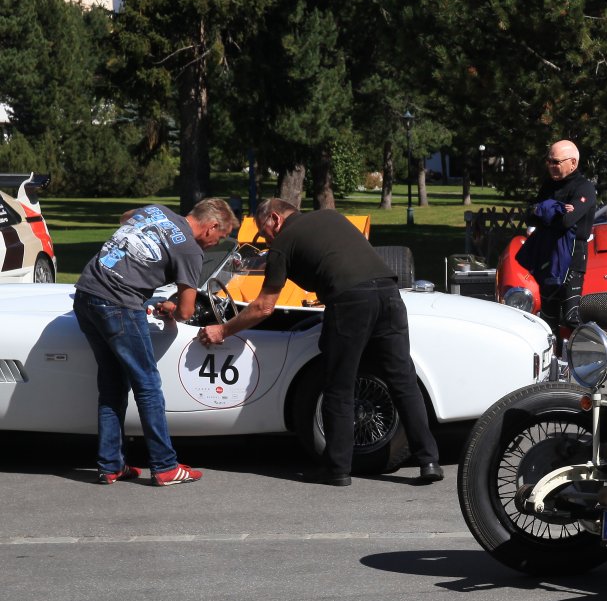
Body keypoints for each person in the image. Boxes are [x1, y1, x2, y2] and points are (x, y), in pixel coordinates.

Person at [197, 200, 441, 487]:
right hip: (389, 293)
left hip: (351, 302)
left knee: (339, 385)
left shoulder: (283, 241)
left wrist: (223, 330)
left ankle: (337, 469)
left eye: (264, 232)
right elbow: (335, 260)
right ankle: (429, 461)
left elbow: (264, 307)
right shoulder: (330, 217)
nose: (267, 240)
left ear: (275, 218)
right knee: (403, 380)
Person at [75, 197, 238, 486]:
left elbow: (126, 217)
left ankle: (110, 465)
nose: (216, 243)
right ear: (211, 226)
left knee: (112, 384)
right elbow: (186, 311)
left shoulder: (156, 211)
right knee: (148, 385)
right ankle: (165, 466)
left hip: (86, 294)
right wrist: (171, 308)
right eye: (221, 236)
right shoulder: (190, 250)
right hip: (119, 304)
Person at [517, 139, 597, 325]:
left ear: (573, 163)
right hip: (548, 255)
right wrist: (554, 209)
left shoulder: (584, 187)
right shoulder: (548, 185)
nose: (551, 166)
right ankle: (552, 345)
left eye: (556, 162)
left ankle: (584, 344)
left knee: (570, 317)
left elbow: (567, 221)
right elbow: (529, 216)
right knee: (548, 318)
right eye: (548, 161)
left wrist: (545, 209)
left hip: (573, 257)